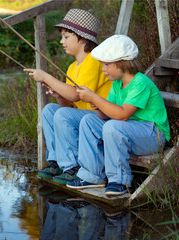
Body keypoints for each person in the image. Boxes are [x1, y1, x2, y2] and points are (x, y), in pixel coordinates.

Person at [66, 35, 170, 196]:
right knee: (88, 120)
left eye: (106, 65)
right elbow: (106, 115)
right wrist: (98, 106)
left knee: (113, 126)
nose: (103, 69)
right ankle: (92, 176)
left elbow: (122, 115)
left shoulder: (140, 83)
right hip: (128, 129)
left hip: (152, 134)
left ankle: (120, 181)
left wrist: (95, 98)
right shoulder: (117, 84)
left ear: (123, 63)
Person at [24, 9, 112, 184]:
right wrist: (59, 96)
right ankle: (56, 161)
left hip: (101, 119)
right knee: (50, 110)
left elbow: (75, 94)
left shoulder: (94, 61)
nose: (61, 41)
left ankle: (73, 167)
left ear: (83, 38)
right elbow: (69, 107)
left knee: (61, 114)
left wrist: (47, 77)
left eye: (66, 36)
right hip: (84, 118)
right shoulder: (73, 68)